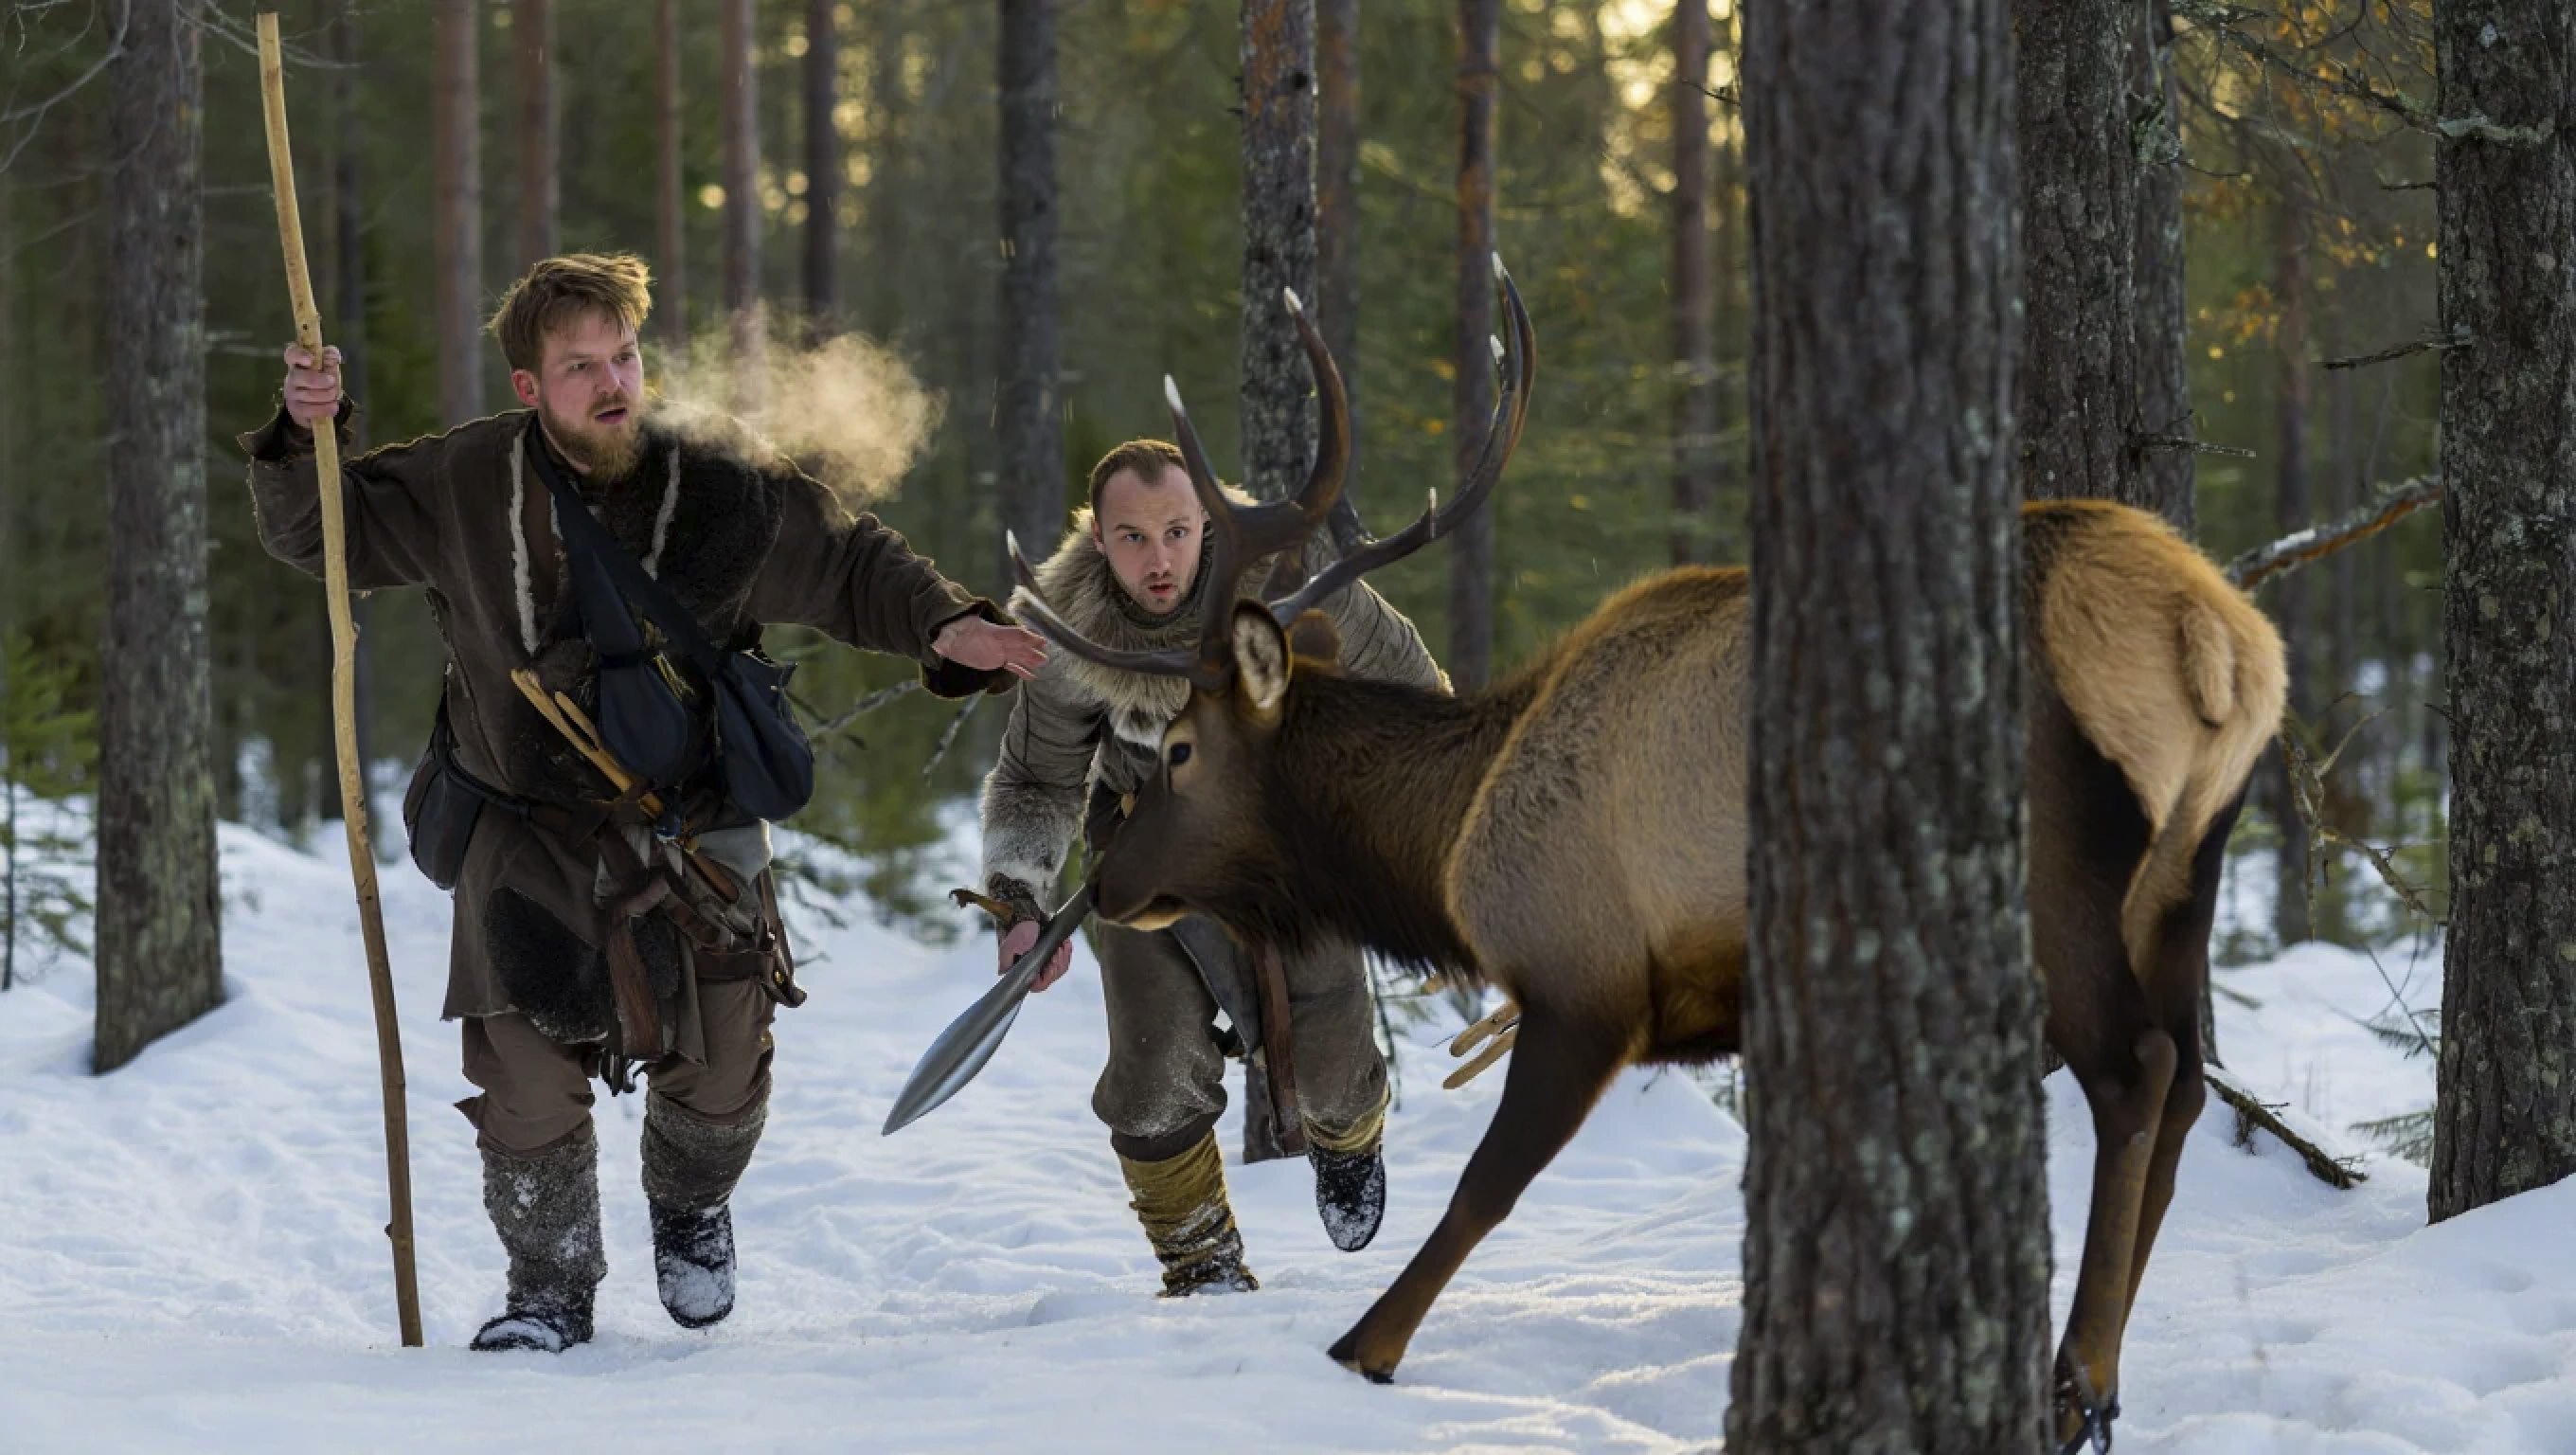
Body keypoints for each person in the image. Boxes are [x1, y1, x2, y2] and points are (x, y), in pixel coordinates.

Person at [240, 251, 1046, 1353]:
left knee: (720, 1079)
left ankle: (691, 1207)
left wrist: (947, 626)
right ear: (529, 387)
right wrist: (304, 433)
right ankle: (548, 1286)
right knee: (523, 1086)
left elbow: (850, 564)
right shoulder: (464, 483)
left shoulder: (716, 478)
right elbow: (314, 533)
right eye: (580, 366)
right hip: (521, 828)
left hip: (695, 820)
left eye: (623, 356)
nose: (612, 381)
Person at [975, 439, 1446, 1296]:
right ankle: (1201, 1264)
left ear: (1206, 522)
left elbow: (1417, 697)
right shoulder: (1064, 623)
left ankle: (1348, 1143)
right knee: (1152, 1082)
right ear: (1097, 535)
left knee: (1336, 1070)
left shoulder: (1295, 580)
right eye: (1131, 538)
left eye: (1177, 532)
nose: (1159, 560)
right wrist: (1017, 900)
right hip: (1146, 860)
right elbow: (1037, 777)